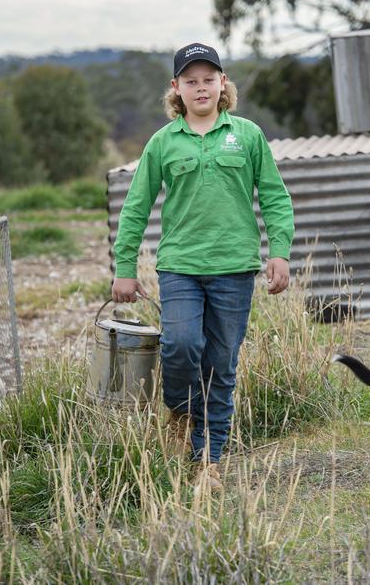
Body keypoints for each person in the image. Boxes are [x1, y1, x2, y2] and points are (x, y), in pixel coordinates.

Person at [111, 42, 294, 490]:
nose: (201, 87)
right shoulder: (162, 142)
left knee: (221, 365)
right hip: (180, 267)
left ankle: (207, 460)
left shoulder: (247, 136)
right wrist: (125, 266)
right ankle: (178, 411)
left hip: (235, 268)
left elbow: (274, 196)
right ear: (176, 88)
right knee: (180, 345)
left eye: (208, 79)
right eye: (190, 81)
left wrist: (280, 251)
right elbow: (136, 207)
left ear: (222, 83)